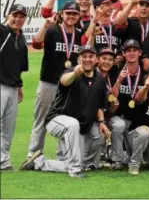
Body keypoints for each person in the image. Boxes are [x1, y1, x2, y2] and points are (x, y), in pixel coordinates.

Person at [20, 45, 110, 178]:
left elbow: (99, 105)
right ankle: (75, 171)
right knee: (72, 125)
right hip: (56, 120)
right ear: (79, 59)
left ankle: (38, 163)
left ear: (96, 59)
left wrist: (102, 122)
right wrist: (75, 73)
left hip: (77, 127)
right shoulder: (71, 71)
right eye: (84, 56)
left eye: (91, 56)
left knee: (72, 160)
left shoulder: (100, 80)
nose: (87, 59)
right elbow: (64, 81)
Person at [27, 1, 82, 160]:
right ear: (62, 14)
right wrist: (45, 26)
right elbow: (37, 44)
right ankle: (34, 154)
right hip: (49, 82)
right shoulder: (52, 30)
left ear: (78, 16)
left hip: (68, 86)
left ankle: (62, 156)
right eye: (68, 13)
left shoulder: (79, 35)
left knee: (65, 120)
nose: (71, 16)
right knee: (41, 118)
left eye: (74, 14)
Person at [0, 4, 29, 171]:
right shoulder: (2, 32)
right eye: (14, 15)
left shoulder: (21, 37)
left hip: (12, 87)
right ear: (8, 15)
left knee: (8, 127)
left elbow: (19, 66)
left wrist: (19, 85)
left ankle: (3, 161)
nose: (18, 19)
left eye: (21, 16)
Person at [113, 39, 146, 171]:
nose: (131, 53)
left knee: (143, 133)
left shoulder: (145, 74)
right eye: (128, 51)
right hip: (121, 116)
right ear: (123, 54)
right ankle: (116, 160)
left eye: (134, 50)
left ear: (140, 53)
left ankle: (133, 158)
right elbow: (112, 97)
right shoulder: (116, 72)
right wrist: (119, 81)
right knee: (118, 125)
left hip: (138, 119)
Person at [95, 47, 122, 169]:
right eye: (104, 58)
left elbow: (112, 100)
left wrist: (113, 107)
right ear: (97, 60)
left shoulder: (113, 76)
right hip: (93, 117)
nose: (107, 62)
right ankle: (99, 157)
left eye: (110, 59)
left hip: (106, 115)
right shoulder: (91, 74)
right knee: (98, 130)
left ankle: (116, 159)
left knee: (119, 124)